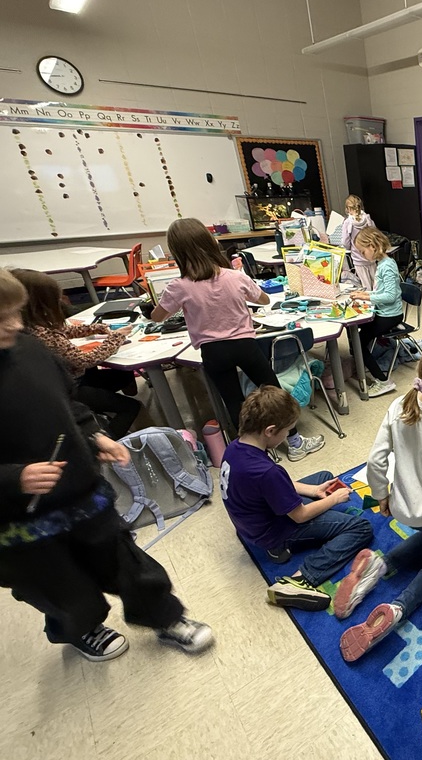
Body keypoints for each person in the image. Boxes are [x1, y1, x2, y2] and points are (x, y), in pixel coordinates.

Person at [0, 267, 213, 662]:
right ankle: (83, 629)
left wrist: (94, 436)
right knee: (59, 585)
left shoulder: (29, 347)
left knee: (123, 560)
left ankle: (164, 616)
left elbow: (69, 403)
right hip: (19, 521)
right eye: (0, 318)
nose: (15, 325)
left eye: (17, 312)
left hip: (80, 491)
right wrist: (14, 477)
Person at [340, 343, 422, 662]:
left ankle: (380, 565)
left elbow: (375, 461)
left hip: (401, 507)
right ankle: (398, 607)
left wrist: (381, 496)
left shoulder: (399, 404)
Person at [151, 217, 324, 460]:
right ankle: (295, 442)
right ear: (209, 243)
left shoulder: (178, 286)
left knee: (234, 401)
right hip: (244, 345)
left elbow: (157, 317)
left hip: (213, 352)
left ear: (178, 252)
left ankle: (253, 454)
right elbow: (263, 300)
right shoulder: (234, 277)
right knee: (273, 392)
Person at [219, 385, 373, 611]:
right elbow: (299, 516)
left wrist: (313, 491)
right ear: (270, 431)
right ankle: (301, 579)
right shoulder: (266, 472)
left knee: (325, 477)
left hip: (249, 522)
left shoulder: (235, 446)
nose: (287, 436)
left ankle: (317, 497)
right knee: (362, 529)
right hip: (275, 534)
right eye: (288, 431)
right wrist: (333, 500)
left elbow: (271, 484)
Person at [12, 268, 140, 438]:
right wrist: (115, 338)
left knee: (122, 375)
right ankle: (104, 446)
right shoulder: (44, 335)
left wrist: (97, 327)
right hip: (70, 389)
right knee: (130, 407)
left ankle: (100, 418)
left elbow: (66, 330)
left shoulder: (31, 324)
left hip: (67, 381)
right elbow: (86, 359)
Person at [349, 227, 405, 398]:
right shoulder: (382, 264)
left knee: (357, 342)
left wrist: (367, 298)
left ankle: (383, 382)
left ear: (372, 246)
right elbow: (382, 291)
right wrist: (365, 294)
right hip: (384, 312)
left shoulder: (387, 266)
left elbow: (390, 296)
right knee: (356, 335)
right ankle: (362, 361)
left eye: (363, 251)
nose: (362, 254)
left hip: (390, 315)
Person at [339, 195, 377, 291]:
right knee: (376, 283)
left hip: (358, 259)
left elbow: (345, 242)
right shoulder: (368, 219)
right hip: (372, 257)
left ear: (348, 209)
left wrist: (348, 249)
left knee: (365, 286)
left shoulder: (348, 223)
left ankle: (369, 304)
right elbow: (376, 235)